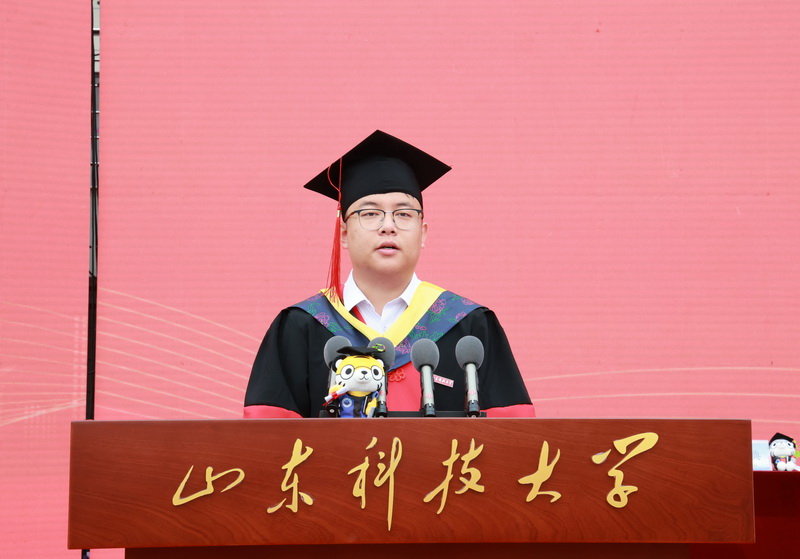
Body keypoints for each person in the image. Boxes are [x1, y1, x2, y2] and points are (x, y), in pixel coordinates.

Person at [244, 130, 534, 418]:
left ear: (423, 233)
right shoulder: (301, 327)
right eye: (370, 214)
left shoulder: (469, 326)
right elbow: (266, 435)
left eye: (404, 214)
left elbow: (513, 432)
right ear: (343, 233)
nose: (388, 226)